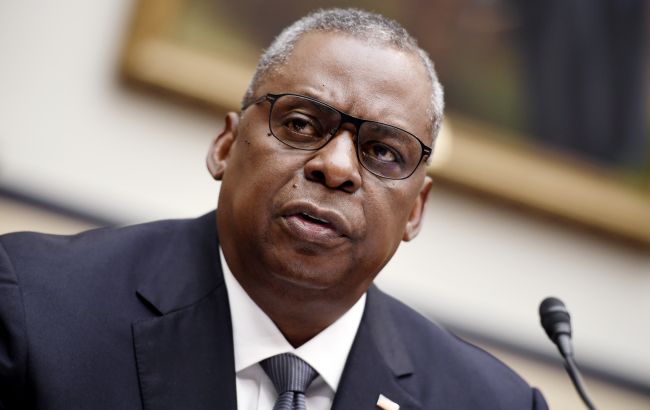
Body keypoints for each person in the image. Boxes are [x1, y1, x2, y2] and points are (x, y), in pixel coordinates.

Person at [0, 8, 548, 410]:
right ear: (225, 146)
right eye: (301, 124)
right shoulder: (33, 307)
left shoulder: (491, 402)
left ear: (415, 211)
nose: (336, 167)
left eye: (383, 152)